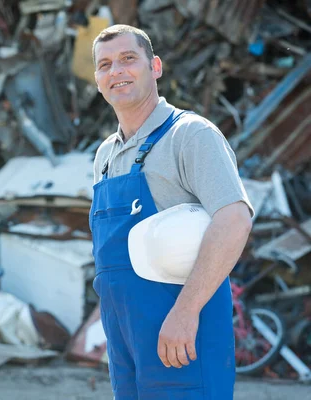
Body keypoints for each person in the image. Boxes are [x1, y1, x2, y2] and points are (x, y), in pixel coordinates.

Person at [89, 25, 253, 399]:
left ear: (155, 67)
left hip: (182, 330)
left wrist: (185, 312)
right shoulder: (104, 156)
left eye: (128, 59)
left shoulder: (191, 135)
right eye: (105, 65)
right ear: (97, 80)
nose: (117, 71)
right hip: (126, 339)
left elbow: (234, 220)